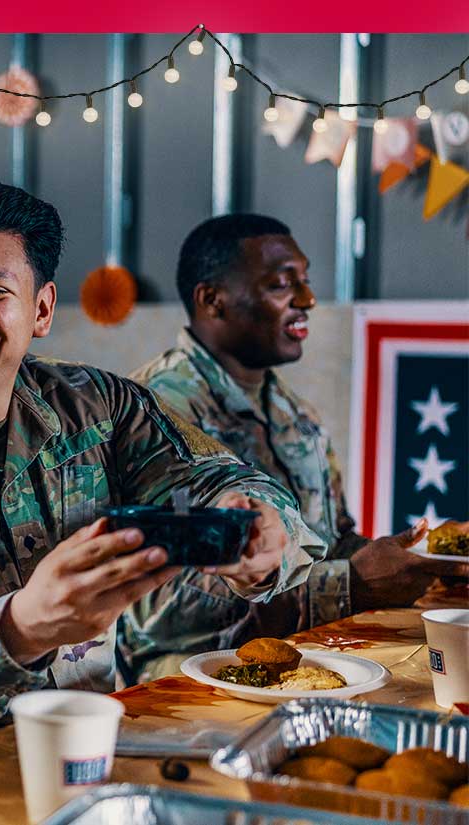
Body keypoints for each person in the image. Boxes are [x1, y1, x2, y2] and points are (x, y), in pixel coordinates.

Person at [0, 179, 325, 768]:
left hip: (91, 762)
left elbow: (221, 479)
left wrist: (260, 532)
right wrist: (18, 632)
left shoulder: (100, 406)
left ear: (41, 310)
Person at [123, 214, 465, 680]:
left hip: (306, 651)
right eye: (282, 285)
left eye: (305, 281)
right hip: (184, 672)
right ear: (213, 300)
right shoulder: (153, 412)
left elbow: (331, 538)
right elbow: (159, 607)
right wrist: (351, 585)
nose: (307, 300)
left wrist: (416, 559)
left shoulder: (296, 413)